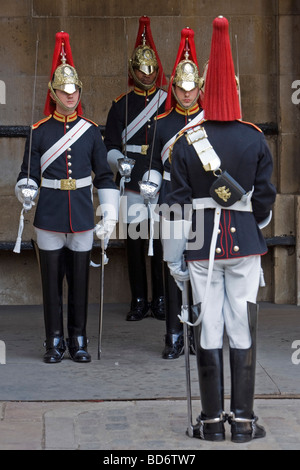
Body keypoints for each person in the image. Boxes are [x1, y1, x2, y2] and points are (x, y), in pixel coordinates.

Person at [163, 16, 276, 442]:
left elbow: (173, 202)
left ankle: (211, 423)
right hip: (245, 243)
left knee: (208, 326)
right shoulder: (254, 138)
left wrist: (174, 256)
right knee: (242, 326)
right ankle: (243, 422)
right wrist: (251, 219)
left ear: (206, 93)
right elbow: (265, 197)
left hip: (199, 247)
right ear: (237, 90)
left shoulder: (188, 139)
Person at [15, 32, 119, 364]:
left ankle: (78, 339)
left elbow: (103, 175)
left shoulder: (90, 131)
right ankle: (54, 341)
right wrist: (26, 189)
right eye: (64, 91)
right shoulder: (39, 130)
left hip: (83, 215)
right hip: (49, 214)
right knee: (51, 285)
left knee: (79, 283)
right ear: (53, 93)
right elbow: (27, 172)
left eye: (74, 92)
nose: (70, 96)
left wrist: (110, 214)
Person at [104, 16, 167, 322]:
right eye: (141, 68)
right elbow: (110, 144)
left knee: (161, 239)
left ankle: (161, 298)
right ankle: (139, 299)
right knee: (134, 242)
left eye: (151, 68)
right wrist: (119, 162)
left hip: (161, 181)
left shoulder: (167, 103)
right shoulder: (120, 105)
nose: (147, 73)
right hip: (130, 179)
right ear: (133, 70)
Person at [147, 28, 203, 359]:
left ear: (199, 88)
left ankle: (195, 333)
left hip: (201, 200)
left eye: (191, 88)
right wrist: (150, 183)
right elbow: (154, 162)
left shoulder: (210, 121)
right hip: (171, 199)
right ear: (174, 89)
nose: (185, 94)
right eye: (180, 88)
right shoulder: (162, 122)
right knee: (172, 270)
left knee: (198, 268)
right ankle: (172, 335)